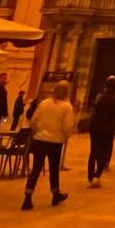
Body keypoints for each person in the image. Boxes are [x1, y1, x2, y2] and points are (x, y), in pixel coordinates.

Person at [23, 81, 74, 209]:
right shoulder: (67, 107)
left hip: (39, 139)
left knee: (36, 168)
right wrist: (66, 136)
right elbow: (67, 126)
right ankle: (55, 194)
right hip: (55, 141)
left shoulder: (44, 103)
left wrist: (36, 132)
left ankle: (27, 197)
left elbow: (34, 120)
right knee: (53, 169)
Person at [85, 75, 115, 186]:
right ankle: (97, 175)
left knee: (93, 152)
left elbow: (95, 112)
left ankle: (90, 177)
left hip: (95, 128)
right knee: (105, 152)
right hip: (107, 129)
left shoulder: (99, 99)